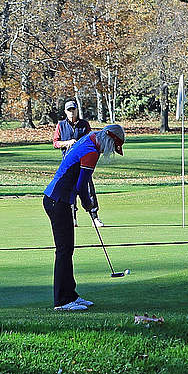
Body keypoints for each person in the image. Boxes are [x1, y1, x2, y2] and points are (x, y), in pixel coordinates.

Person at [43, 124, 125, 311]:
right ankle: (62, 301)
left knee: (67, 250)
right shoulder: (91, 152)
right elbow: (82, 186)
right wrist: (89, 205)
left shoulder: (88, 140)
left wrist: (86, 203)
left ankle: (71, 295)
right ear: (108, 139)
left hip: (57, 200)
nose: (109, 152)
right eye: (113, 147)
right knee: (64, 251)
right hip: (58, 201)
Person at [52, 100, 102, 228]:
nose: (71, 112)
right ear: (65, 111)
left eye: (73, 109)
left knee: (89, 189)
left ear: (76, 110)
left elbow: (92, 140)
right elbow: (56, 143)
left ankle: (94, 217)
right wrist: (67, 143)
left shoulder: (84, 124)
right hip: (69, 164)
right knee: (70, 191)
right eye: (69, 110)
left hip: (84, 162)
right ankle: (72, 218)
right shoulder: (61, 125)